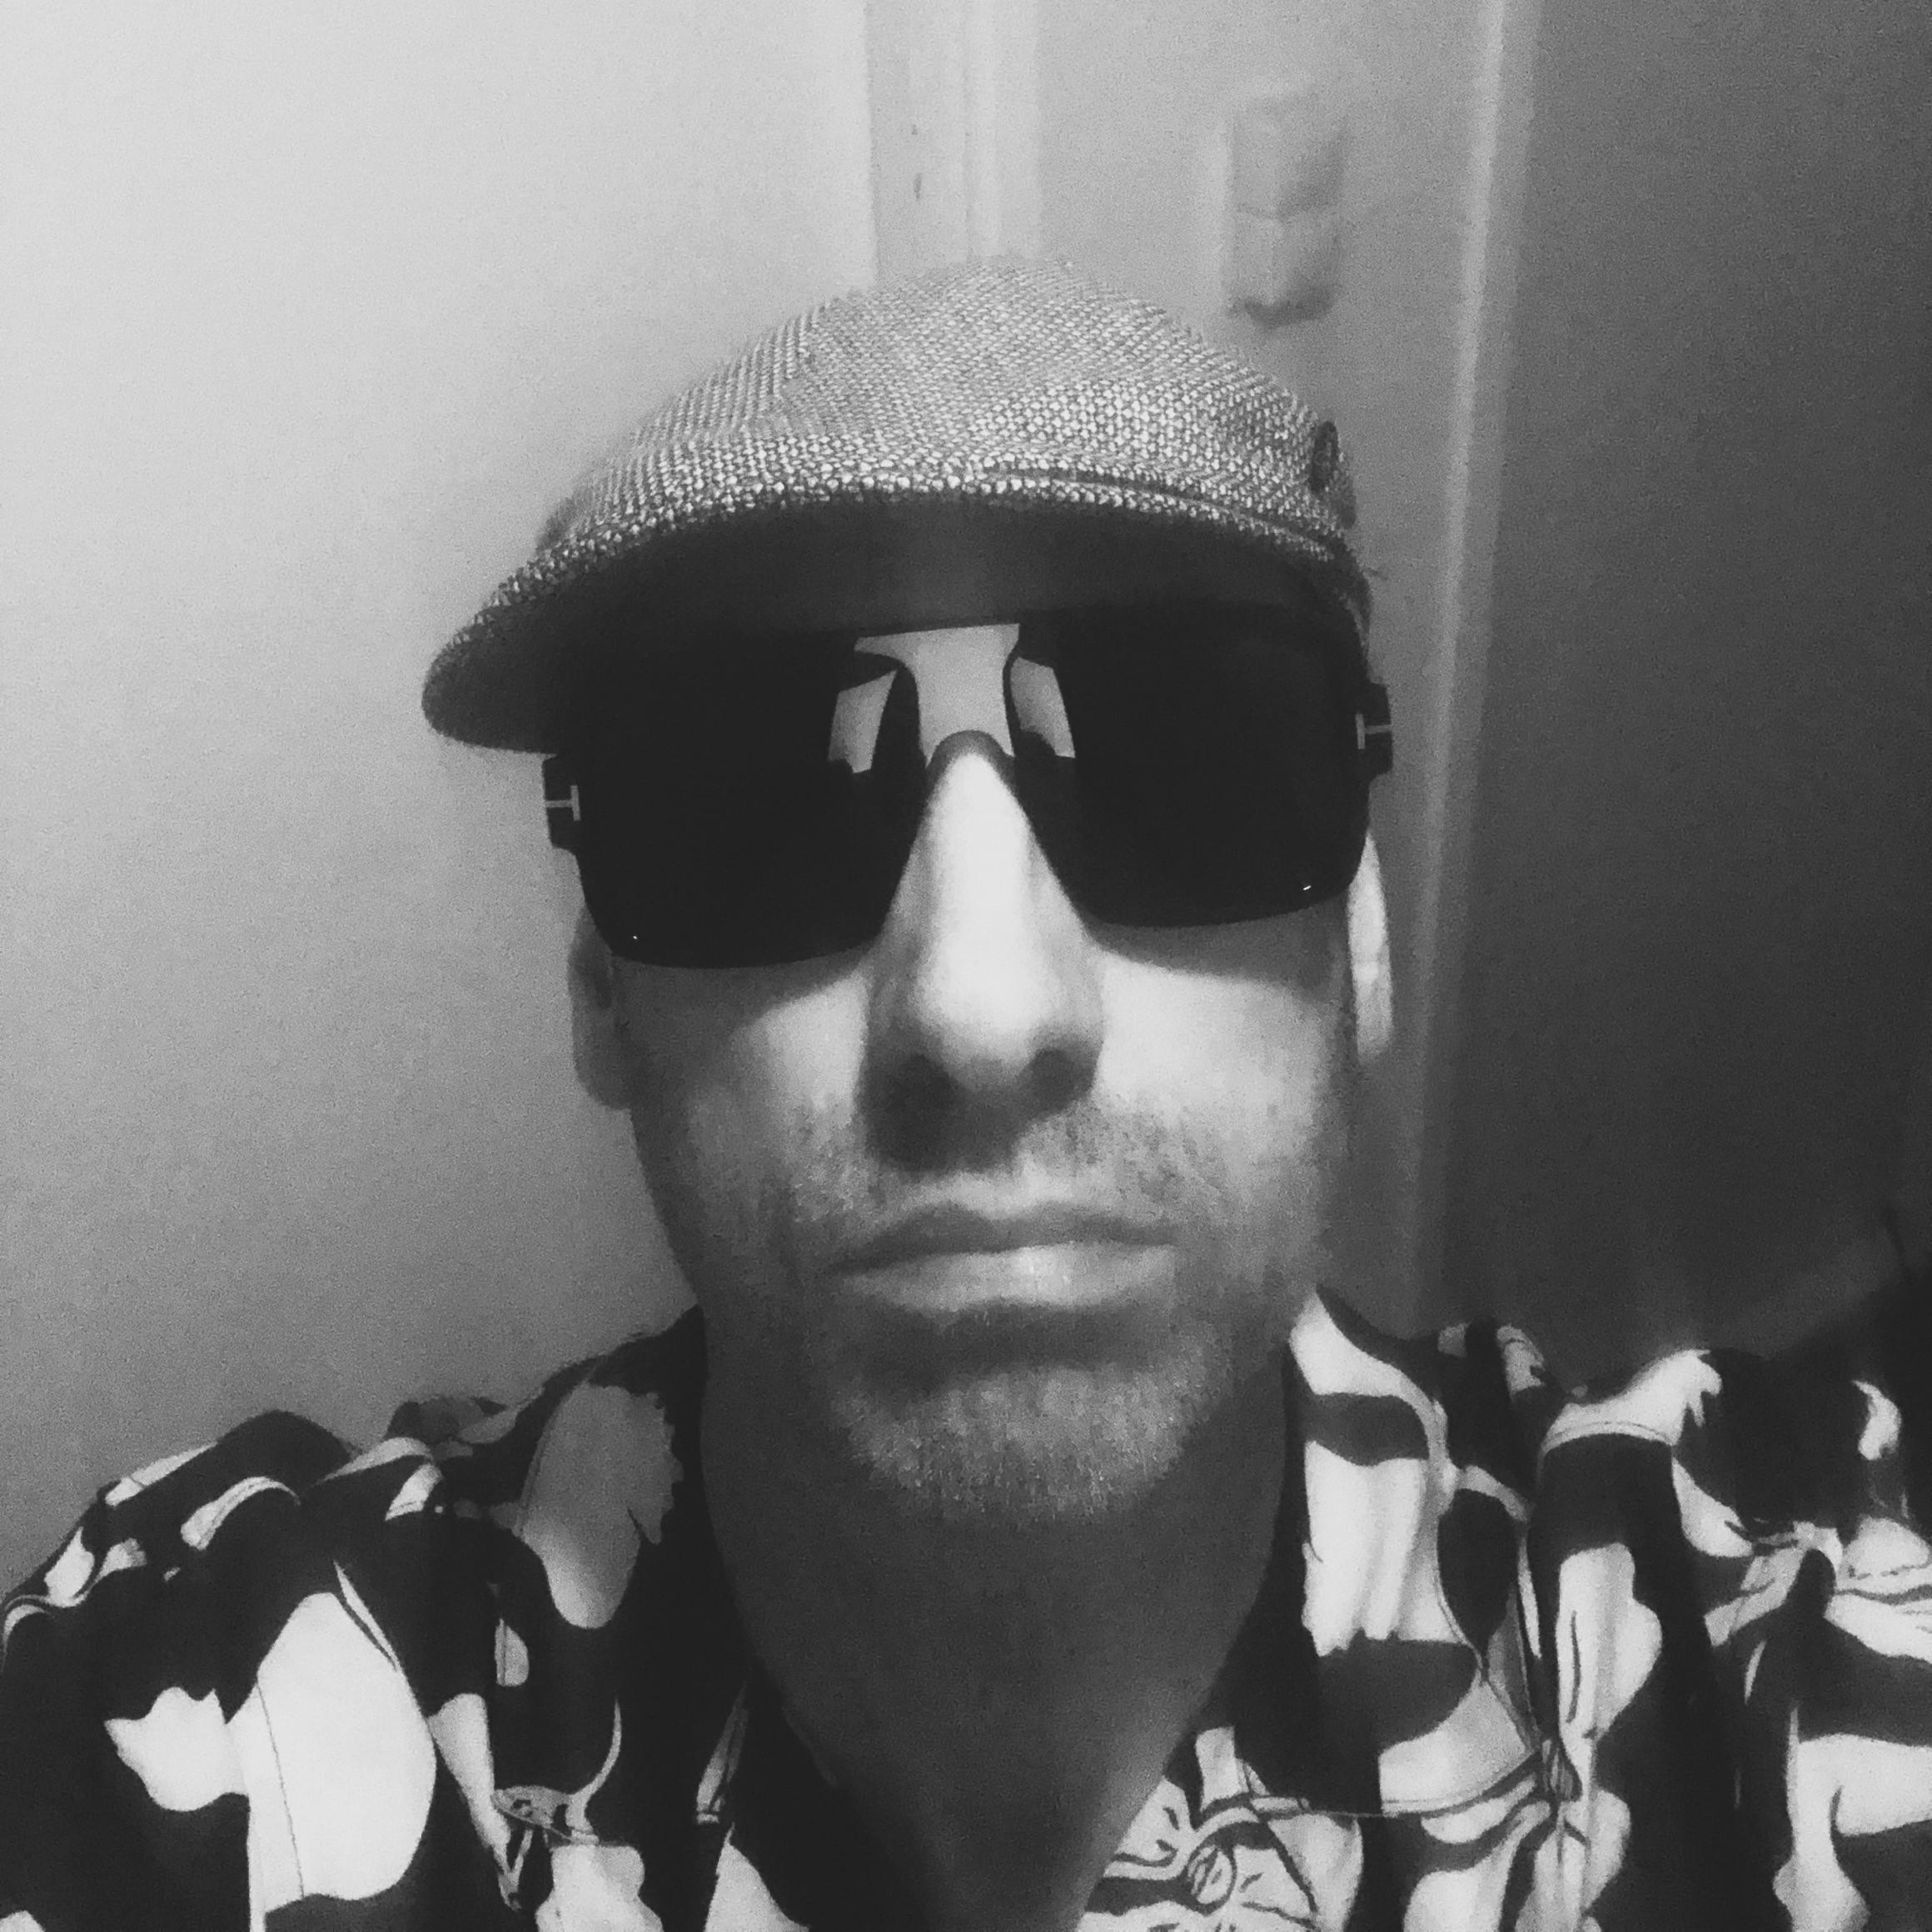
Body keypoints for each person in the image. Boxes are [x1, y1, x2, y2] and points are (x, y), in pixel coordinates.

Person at [1, 258, 1927, 1932]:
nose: (982, 1007)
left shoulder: (1765, 1635)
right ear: (598, 986)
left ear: (1359, 934)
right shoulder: (222, 1702)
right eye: (750, 794)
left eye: (1183, 755)